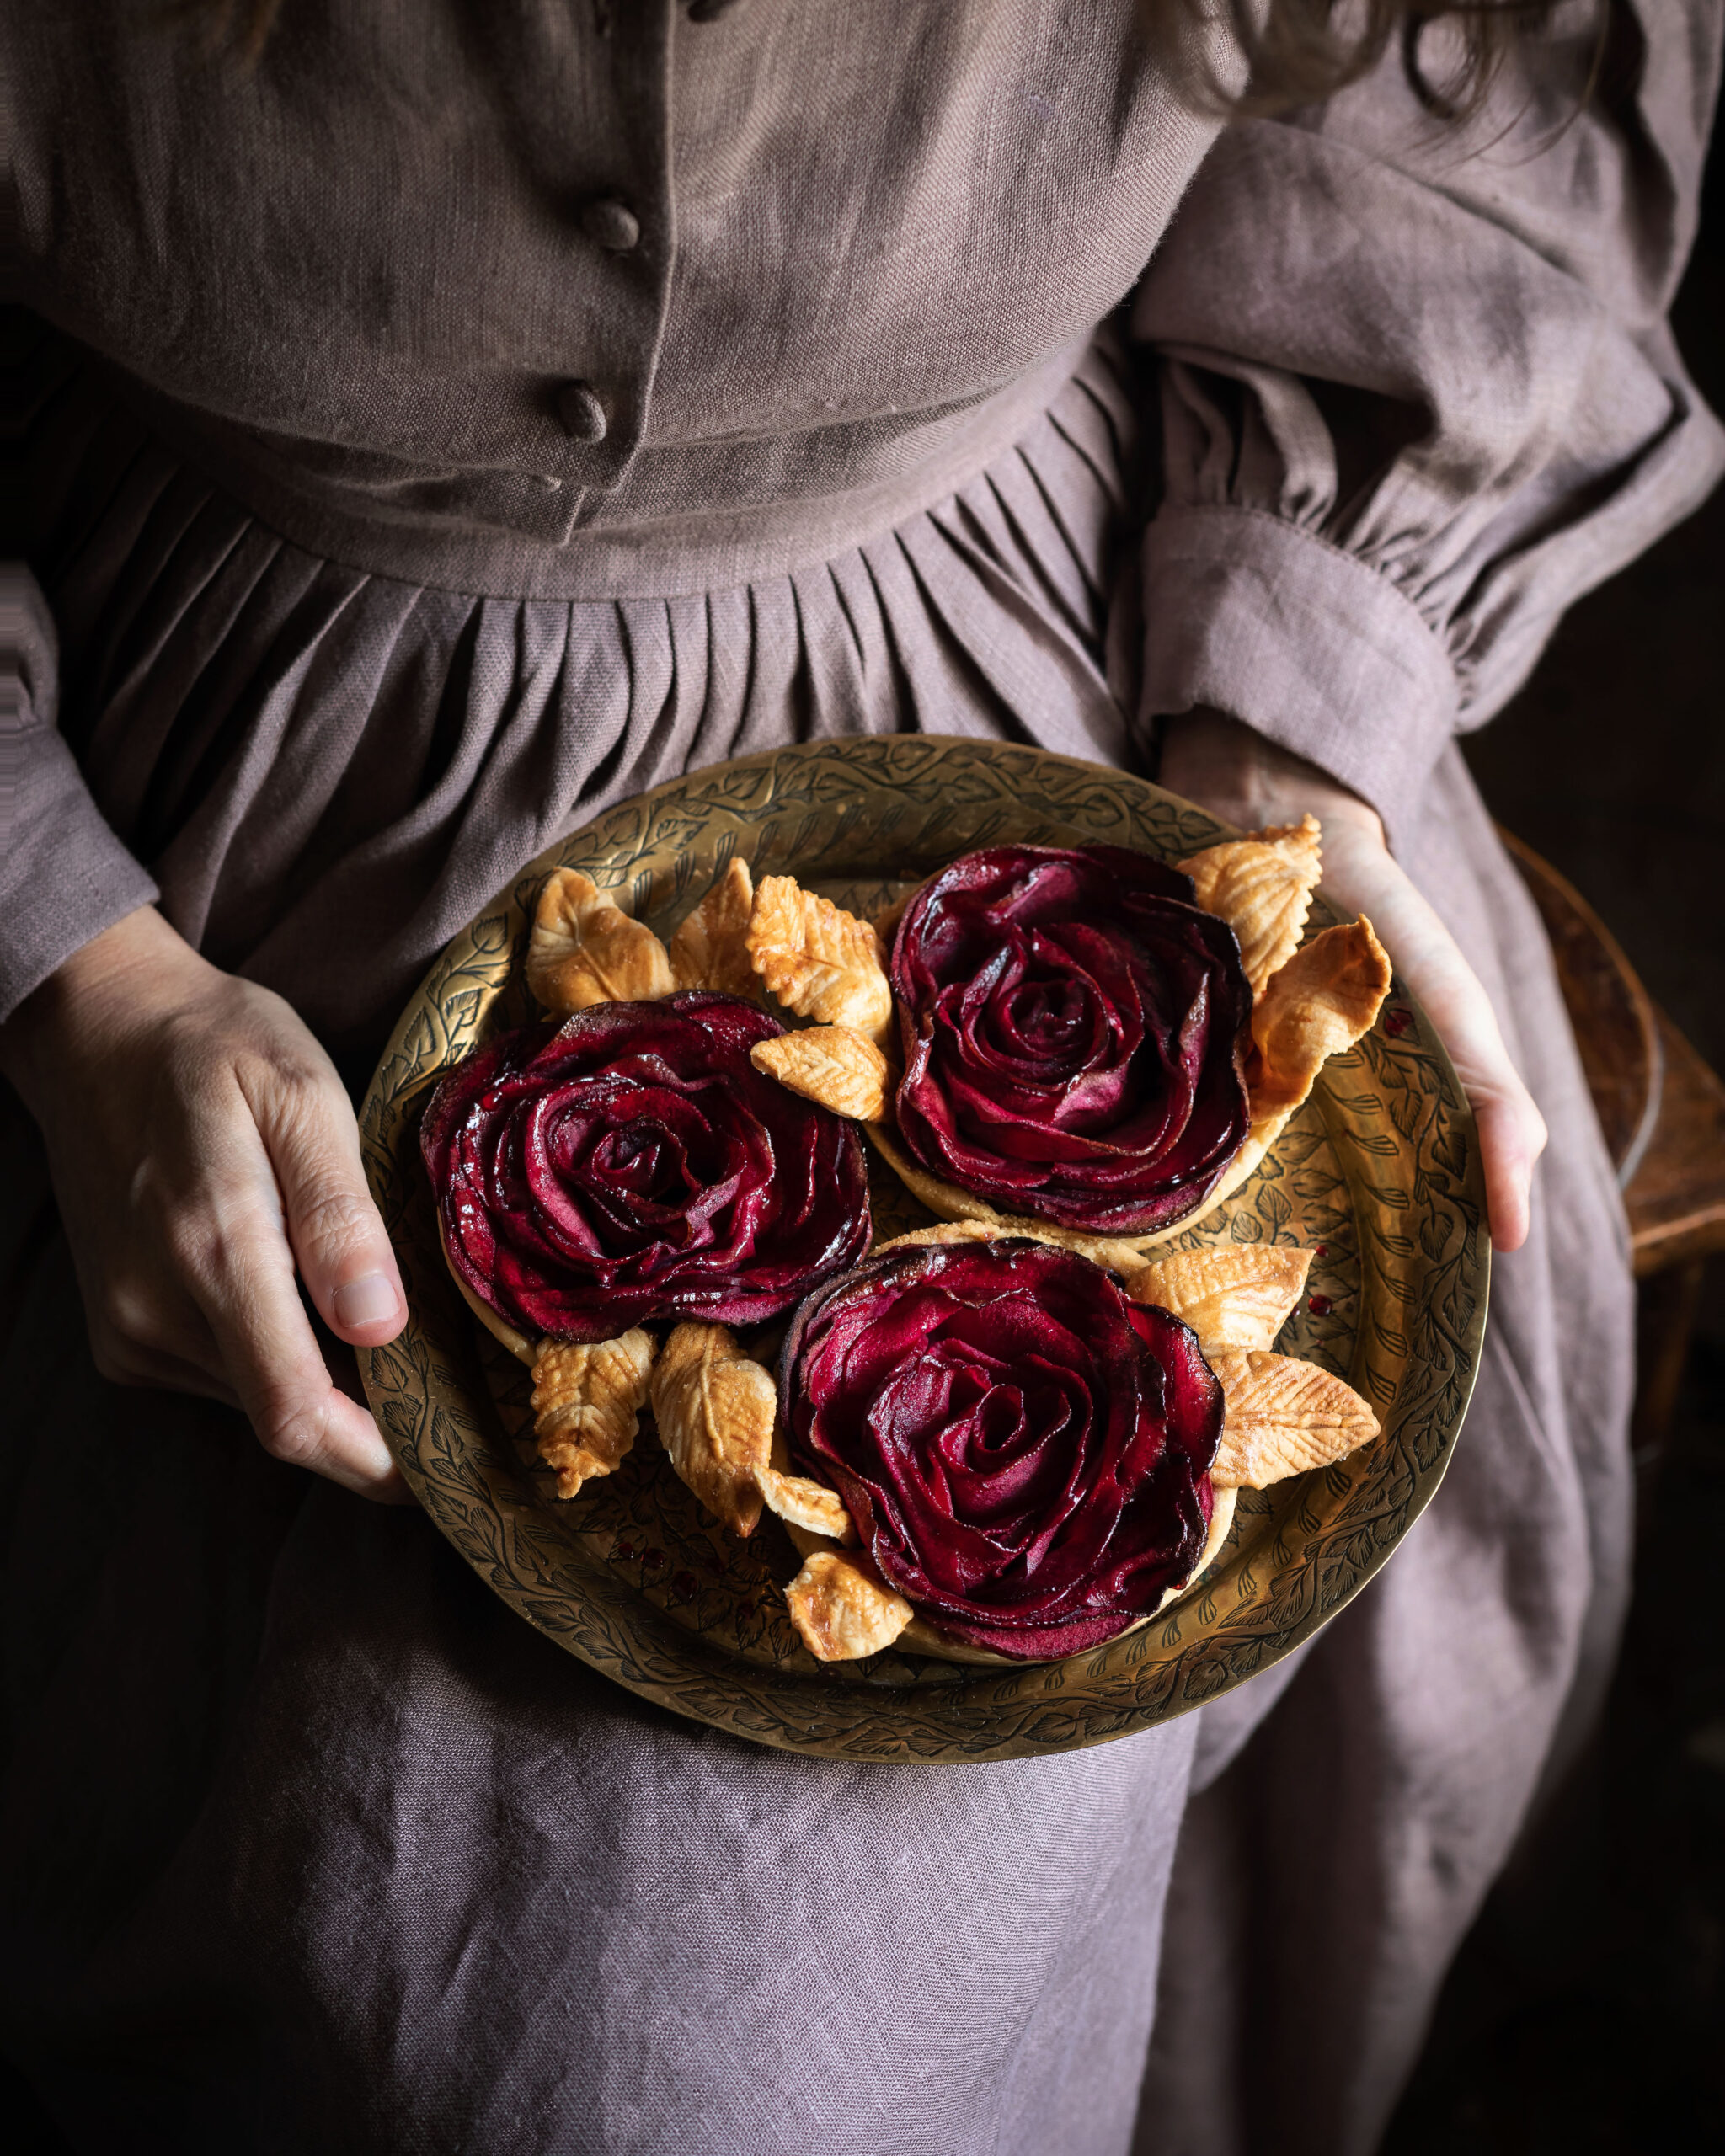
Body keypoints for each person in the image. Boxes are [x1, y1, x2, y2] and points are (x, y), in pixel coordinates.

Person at [2, 3, 1718, 2149]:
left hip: (1071, 656)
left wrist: (1279, 737)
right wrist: (61, 952)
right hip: (177, 769)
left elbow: (1445, 115)